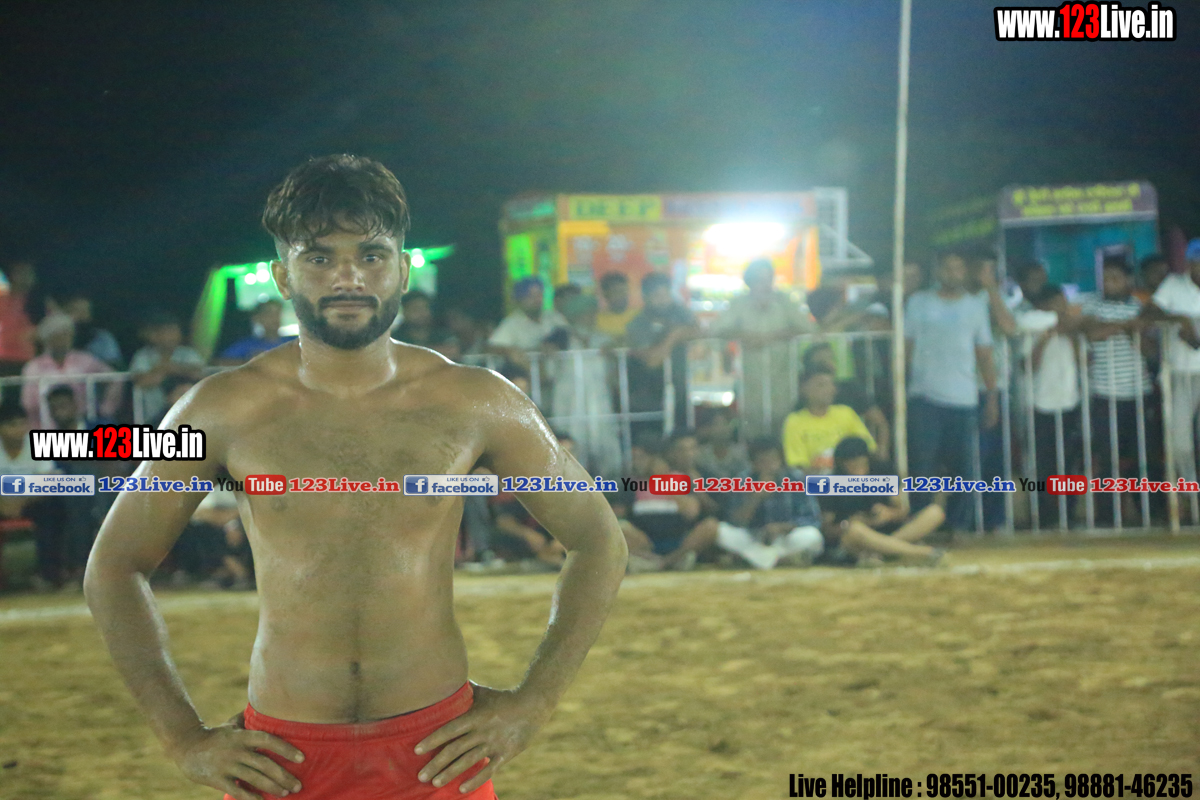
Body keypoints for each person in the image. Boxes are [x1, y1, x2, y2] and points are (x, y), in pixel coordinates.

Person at [85, 154, 627, 800]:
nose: (348, 277)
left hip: (436, 754)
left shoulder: (477, 400)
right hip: (282, 764)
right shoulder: (219, 409)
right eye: (319, 257)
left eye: (371, 255)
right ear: (282, 276)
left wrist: (534, 704)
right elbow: (114, 566)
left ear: (402, 268)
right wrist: (181, 737)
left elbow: (599, 539)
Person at [905, 249, 998, 531]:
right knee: (922, 466)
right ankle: (921, 524)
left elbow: (984, 354)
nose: (953, 273)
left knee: (963, 469)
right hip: (924, 396)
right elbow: (906, 347)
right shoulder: (919, 302)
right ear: (938, 271)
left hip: (964, 398)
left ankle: (958, 526)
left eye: (958, 268)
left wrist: (991, 396)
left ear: (965, 272)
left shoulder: (975, 306)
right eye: (948, 268)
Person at [711, 259, 816, 437]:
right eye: (759, 280)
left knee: (785, 425)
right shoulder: (739, 304)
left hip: (783, 377)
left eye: (768, 279)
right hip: (751, 379)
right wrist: (744, 335)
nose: (765, 285)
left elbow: (809, 329)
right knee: (752, 425)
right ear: (749, 281)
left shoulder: (784, 301)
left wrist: (774, 336)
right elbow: (716, 330)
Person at [817, 437, 945, 566]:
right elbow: (827, 530)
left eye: (862, 464)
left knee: (935, 512)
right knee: (855, 530)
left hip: (889, 532)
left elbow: (902, 511)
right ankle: (920, 553)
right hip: (858, 537)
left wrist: (888, 514)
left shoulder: (883, 471)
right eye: (852, 466)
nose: (858, 472)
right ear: (842, 465)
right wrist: (848, 523)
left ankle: (883, 550)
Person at [1021, 285, 1083, 527]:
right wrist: (1045, 339)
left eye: (1064, 303)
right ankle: (1042, 515)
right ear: (1044, 306)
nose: (1063, 308)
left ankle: (1069, 513)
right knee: (1042, 464)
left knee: (1070, 463)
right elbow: (1027, 365)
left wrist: (1071, 336)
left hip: (1069, 402)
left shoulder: (1072, 331)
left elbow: (1083, 361)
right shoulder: (1035, 329)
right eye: (1057, 304)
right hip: (1041, 404)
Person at [712, 437, 825, 570]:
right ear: (753, 463)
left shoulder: (796, 478)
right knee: (722, 532)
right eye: (762, 461)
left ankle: (754, 559)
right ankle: (781, 560)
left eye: (773, 460)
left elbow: (812, 518)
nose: (769, 465)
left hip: (784, 539)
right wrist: (756, 497)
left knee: (812, 536)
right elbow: (735, 521)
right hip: (753, 538)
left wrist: (783, 527)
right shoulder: (743, 480)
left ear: (781, 460)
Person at [1145, 241, 1200, 505]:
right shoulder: (1174, 285)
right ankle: (1192, 497)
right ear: (1190, 263)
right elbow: (1149, 312)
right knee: (1180, 442)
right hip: (1181, 373)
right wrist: (1179, 319)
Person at [544, 293, 621, 478]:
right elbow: (548, 371)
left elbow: (614, 370)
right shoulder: (560, 339)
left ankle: (611, 487)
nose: (590, 317)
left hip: (599, 402)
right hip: (569, 403)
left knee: (605, 445)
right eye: (586, 313)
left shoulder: (602, 339)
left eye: (592, 312)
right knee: (571, 448)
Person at [0, 402, 65, 590]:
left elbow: (49, 480)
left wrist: (22, 501)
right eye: (12, 425)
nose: (18, 429)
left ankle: (49, 575)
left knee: (52, 509)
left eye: (22, 423)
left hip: (30, 501)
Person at [626, 272, 700, 436]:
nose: (663, 300)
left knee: (682, 432)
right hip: (648, 394)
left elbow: (698, 331)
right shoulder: (637, 323)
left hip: (680, 390)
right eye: (657, 295)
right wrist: (674, 336)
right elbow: (652, 361)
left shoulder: (680, 312)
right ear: (645, 297)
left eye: (666, 294)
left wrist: (674, 336)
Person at [20, 313, 123, 428]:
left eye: (67, 335)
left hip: (83, 424)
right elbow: (28, 402)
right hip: (45, 426)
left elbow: (115, 378)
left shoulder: (85, 360)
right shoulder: (33, 366)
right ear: (47, 339)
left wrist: (106, 409)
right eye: (58, 336)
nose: (63, 340)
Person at [782, 364, 876, 474]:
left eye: (832, 384)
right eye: (821, 385)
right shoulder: (794, 421)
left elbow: (867, 449)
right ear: (804, 389)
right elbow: (798, 466)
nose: (830, 390)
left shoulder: (846, 413)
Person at [129, 310, 206, 423]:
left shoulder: (188, 353)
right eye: (167, 332)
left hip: (190, 415)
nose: (172, 336)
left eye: (175, 331)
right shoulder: (143, 356)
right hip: (155, 415)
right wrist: (165, 370)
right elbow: (142, 381)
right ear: (154, 335)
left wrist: (172, 369)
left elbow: (199, 375)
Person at [488, 277, 567, 367]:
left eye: (539, 295)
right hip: (531, 372)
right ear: (519, 299)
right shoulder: (512, 323)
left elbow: (569, 334)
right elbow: (493, 346)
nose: (536, 300)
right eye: (531, 296)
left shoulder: (554, 317)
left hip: (562, 372)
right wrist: (510, 351)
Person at [216, 299, 295, 365]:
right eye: (268, 314)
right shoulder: (247, 345)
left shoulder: (294, 342)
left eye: (277, 313)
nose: (274, 318)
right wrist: (251, 362)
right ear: (257, 318)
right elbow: (222, 362)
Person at [60, 293, 124, 368]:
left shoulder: (103, 339)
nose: (80, 316)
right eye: (75, 311)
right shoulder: (56, 339)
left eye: (84, 311)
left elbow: (113, 366)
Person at [0, 261, 38, 376]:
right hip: (2, 356)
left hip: (25, 358)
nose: (24, 277)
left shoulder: (37, 303)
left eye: (28, 273)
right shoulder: (2, 299)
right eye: (20, 273)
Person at [595, 272, 637, 343]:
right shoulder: (597, 321)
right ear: (606, 295)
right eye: (616, 292)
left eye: (623, 291)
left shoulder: (638, 315)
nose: (621, 296)